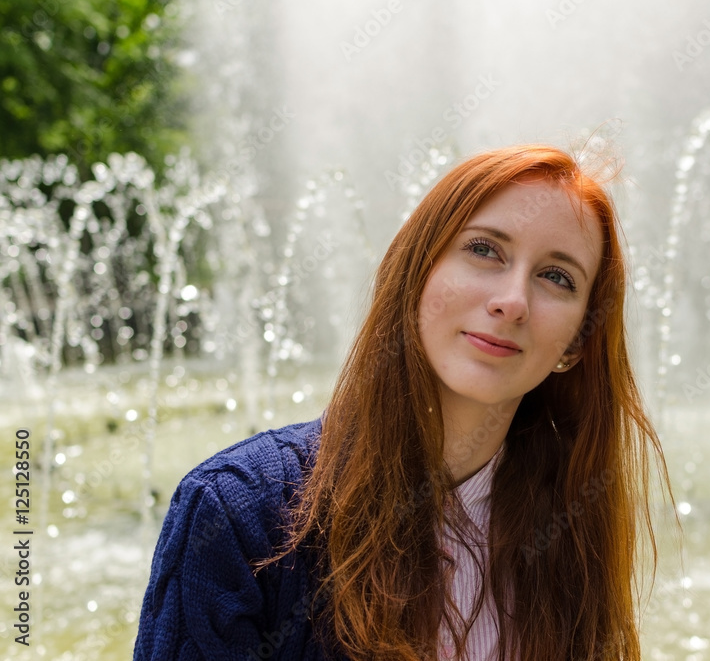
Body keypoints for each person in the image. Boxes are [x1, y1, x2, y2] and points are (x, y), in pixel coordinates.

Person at [133, 144, 674, 661]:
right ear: (416, 271)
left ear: (579, 342)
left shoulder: (570, 527)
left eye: (556, 277)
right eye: (484, 249)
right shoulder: (238, 514)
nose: (512, 302)